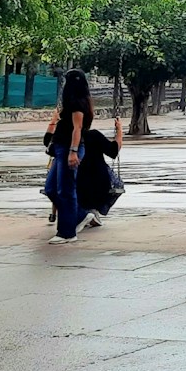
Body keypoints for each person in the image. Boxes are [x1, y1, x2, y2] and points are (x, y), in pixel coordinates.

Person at [44, 69, 103, 244]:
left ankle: (67, 232)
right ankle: (81, 215)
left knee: (66, 190)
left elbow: (77, 129)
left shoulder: (78, 104)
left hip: (70, 148)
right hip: (61, 148)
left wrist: (74, 151)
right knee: (51, 189)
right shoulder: (70, 103)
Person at [74, 95, 123, 231]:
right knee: (115, 183)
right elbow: (113, 151)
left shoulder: (67, 138)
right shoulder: (94, 135)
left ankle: (87, 212)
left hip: (78, 185)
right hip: (99, 184)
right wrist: (119, 130)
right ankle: (92, 212)